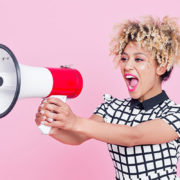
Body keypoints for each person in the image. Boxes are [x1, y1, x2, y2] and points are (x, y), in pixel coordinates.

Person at [35, 16, 180, 179]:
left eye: (138, 59)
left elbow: (133, 136)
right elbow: (77, 136)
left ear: (161, 66)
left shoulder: (175, 115)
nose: (127, 66)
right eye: (124, 58)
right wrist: (52, 126)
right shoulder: (111, 108)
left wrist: (75, 121)